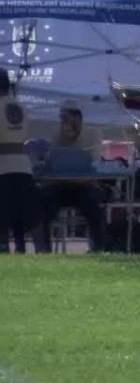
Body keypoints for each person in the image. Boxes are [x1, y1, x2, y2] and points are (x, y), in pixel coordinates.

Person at [41, 101, 107, 253]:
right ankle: (44, 250)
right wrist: (65, 141)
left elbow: (94, 163)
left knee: (95, 207)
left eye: (69, 119)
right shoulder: (57, 135)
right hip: (61, 186)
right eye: (62, 119)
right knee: (44, 205)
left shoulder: (93, 134)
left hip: (85, 186)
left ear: (79, 119)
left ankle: (98, 248)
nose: (66, 124)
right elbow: (50, 163)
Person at [0, 70, 35, 253]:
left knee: (3, 211)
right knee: (18, 211)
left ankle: (3, 246)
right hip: (22, 163)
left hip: (2, 164)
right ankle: (20, 246)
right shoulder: (22, 107)